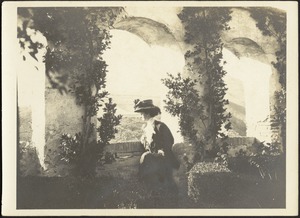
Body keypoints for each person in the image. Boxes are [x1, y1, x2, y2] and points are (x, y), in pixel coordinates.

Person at [134, 99, 180, 208]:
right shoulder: (145, 128)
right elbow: (146, 146)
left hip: (163, 160)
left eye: (142, 113)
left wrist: (161, 151)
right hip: (152, 160)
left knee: (163, 184)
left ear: (148, 113)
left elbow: (169, 141)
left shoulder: (160, 126)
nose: (141, 115)